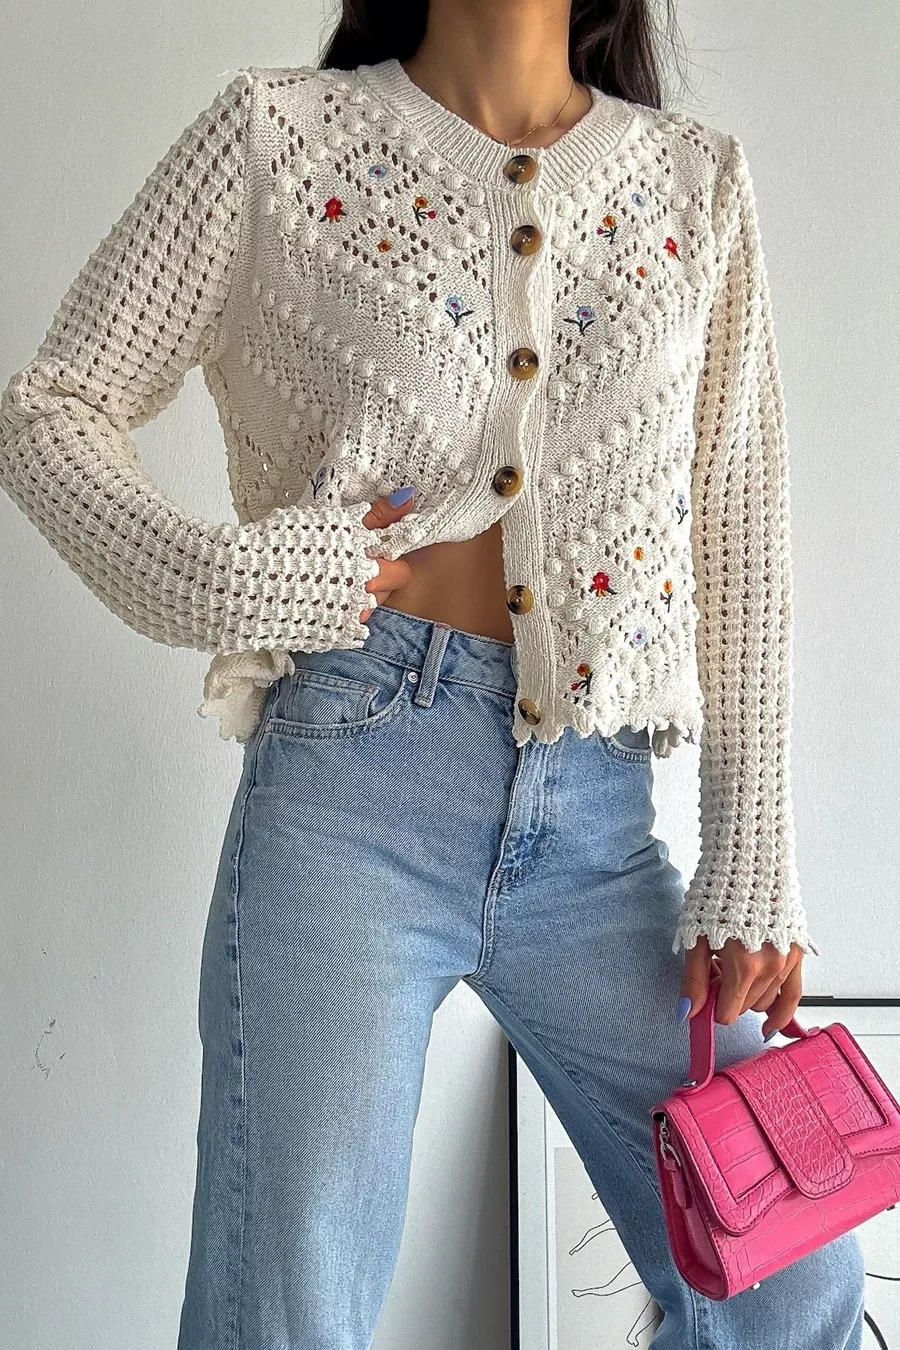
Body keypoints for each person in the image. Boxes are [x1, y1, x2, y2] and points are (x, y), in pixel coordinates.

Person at [0, 1, 866, 1346]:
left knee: (793, 1278)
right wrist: (227, 580)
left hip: (598, 823)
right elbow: (51, 409)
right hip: (350, 792)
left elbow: (739, 526)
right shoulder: (280, 140)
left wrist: (752, 851)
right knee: (289, 1314)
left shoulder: (693, 180)